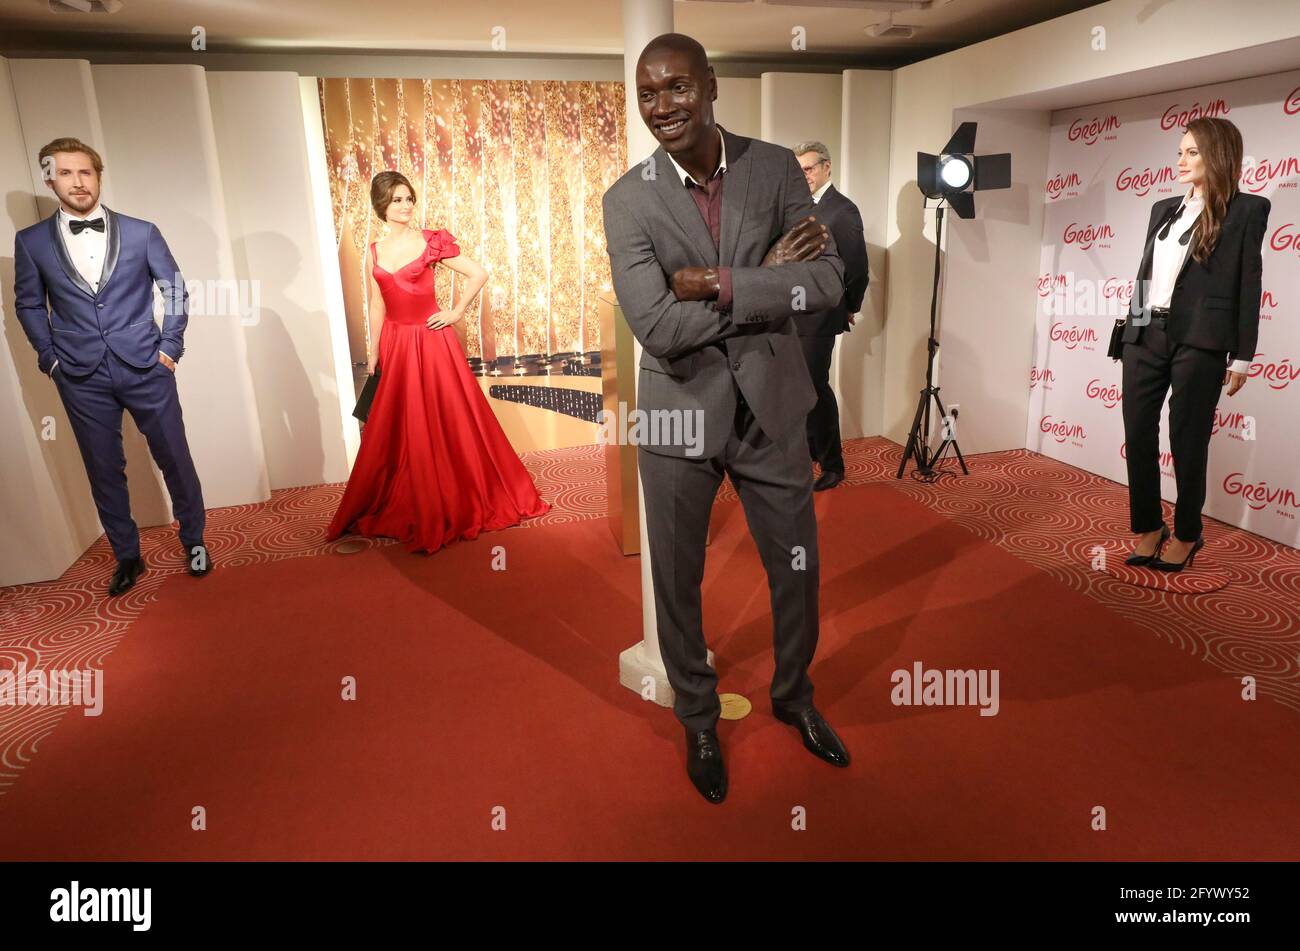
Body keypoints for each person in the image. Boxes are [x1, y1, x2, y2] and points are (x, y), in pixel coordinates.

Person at [602, 33, 849, 805]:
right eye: (648, 94)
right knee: (677, 579)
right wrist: (763, 279)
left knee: (797, 570)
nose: (663, 107)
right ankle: (699, 715)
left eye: (677, 88)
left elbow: (827, 280)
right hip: (677, 413)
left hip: (772, 408)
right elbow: (659, 329)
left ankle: (794, 695)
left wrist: (715, 283)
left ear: (711, 85)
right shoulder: (627, 198)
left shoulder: (774, 167)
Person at [13, 137, 210, 596]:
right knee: (103, 467)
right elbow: (26, 304)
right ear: (49, 179)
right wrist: (51, 357)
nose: (78, 182)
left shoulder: (141, 231)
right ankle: (127, 555)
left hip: (146, 364)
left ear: (98, 176)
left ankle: (195, 540)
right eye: (66, 173)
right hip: (80, 375)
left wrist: (170, 348)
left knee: (175, 458)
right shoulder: (31, 241)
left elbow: (175, 290)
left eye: (85, 172)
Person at [327, 171, 549, 553]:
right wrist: (376, 350)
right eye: (396, 200)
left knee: (448, 419)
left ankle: (452, 493)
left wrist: (455, 311)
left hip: (431, 342)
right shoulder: (373, 251)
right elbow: (377, 303)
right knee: (399, 425)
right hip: (396, 342)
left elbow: (478, 272)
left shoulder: (430, 242)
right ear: (381, 204)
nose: (405, 206)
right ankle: (410, 493)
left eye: (409, 198)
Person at [1120, 116, 1269, 572]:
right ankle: (1149, 526)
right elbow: (1147, 274)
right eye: (1179, 152)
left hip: (1201, 342)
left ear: (1218, 155)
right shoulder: (1162, 208)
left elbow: (1248, 283)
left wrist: (1243, 356)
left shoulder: (1246, 210)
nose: (1180, 161)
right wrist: (1134, 330)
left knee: (1187, 440)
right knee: (1138, 431)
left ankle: (1187, 532)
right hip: (1147, 335)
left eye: (1192, 152)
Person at [792, 140, 869, 491]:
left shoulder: (843, 210)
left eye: (809, 168)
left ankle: (833, 465)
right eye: (799, 169)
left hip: (821, 315)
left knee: (815, 389)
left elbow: (857, 267)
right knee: (800, 389)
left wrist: (849, 306)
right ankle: (810, 453)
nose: (804, 175)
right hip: (793, 314)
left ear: (827, 167)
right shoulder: (796, 206)